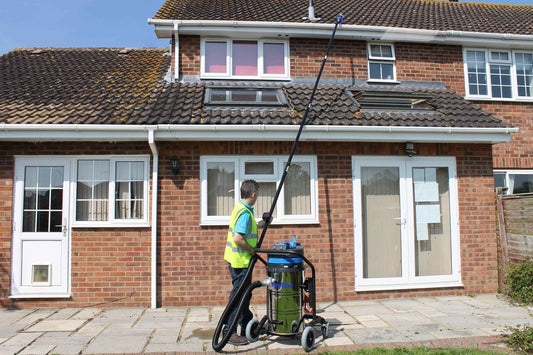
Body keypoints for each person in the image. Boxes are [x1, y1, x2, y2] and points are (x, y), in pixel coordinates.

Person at [223, 179, 269, 345]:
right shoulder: (244, 213)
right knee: (239, 296)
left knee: (244, 294)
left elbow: (247, 228)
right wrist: (253, 250)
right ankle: (229, 332)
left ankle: (247, 324)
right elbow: (238, 238)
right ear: (254, 194)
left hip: (238, 260)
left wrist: (264, 222)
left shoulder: (241, 208)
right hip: (240, 261)